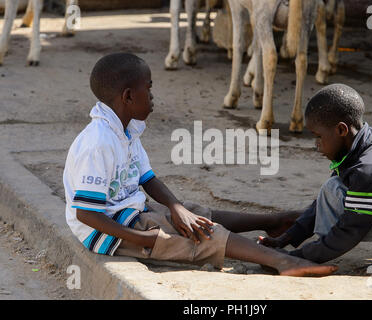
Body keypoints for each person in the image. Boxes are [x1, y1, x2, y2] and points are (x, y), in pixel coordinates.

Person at [62, 52, 337, 277]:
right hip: (113, 232)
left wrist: (176, 207)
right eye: (149, 88)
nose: (153, 96)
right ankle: (282, 262)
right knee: (202, 235)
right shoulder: (98, 143)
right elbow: (87, 214)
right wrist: (143, 239)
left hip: (129, 210)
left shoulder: (126, 128)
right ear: (128, 97)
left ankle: (274, 221)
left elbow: (147, 178)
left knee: (195, 213)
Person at [260, 83, 372, 277]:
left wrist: (294, 259)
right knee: (338, 192)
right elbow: (320, 206)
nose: (316, 144)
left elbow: (350, 229)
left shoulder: (370, 166)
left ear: (341, 130)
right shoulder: (361, 144)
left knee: (336, 192)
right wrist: (284, 239)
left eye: (318, 136)